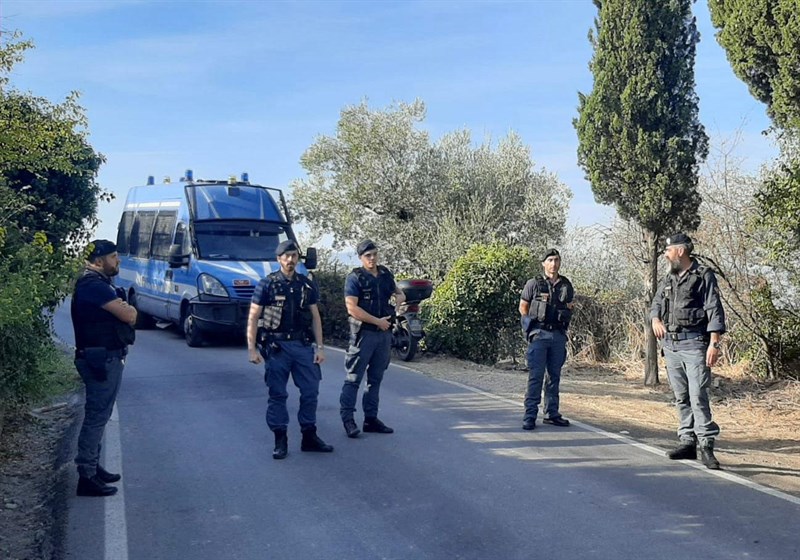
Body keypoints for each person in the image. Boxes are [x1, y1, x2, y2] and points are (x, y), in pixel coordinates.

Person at [247, 240, 333, 460]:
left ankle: (309, 436)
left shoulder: (306, 284)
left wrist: (320, 348)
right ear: (279, 259)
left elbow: (315, 316)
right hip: (277, 347)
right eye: (286, 256)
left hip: (302, 346)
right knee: (278, 394)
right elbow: (254, 316)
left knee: (311, 391)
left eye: (294, 256)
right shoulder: (267, 284)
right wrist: (252, 349)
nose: (290, 260)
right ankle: (280, 439)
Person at [650, 233, 725, 470]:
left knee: (698, 396)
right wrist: (655, 319)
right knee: (681, 396)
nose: (665, 254)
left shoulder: (703, 276)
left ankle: (706, 445)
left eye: (668, 250)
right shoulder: (669, 278)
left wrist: (714, 343)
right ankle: (687, 442)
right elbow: (656, 304)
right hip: (671, 346)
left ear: (680, 251)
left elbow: (714, 308)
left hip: (695, 344)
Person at [71, 240, 137, 497]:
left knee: (100, 415)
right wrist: (127, 307)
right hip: (99, 359)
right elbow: (130, 316)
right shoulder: (93, 286)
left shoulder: (99, 285)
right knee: (97, 417)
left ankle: (92, 467)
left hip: (104, 357)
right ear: (98, 260)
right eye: (113, 256)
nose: (117, 260)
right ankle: (86, 476)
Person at [339, 240, 405, 438]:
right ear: (361, 258)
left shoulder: (385, 274)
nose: (372, 258)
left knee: (375, 379)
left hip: (383, 334)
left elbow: (398, 292)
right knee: (353, 379)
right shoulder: (355, 278)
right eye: (368, 255)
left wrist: (398, 300)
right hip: (363, 334)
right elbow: (352, 308)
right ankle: (348, 419)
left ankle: (371, 419)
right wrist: (377, 321)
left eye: (375, 254)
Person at [519, 248, 575, 431]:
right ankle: (530, 416)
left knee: (554, 377)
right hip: (539, 336)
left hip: (557, 336)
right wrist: (529, 328)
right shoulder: (533, 284)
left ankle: (552, 414)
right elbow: (523, 307)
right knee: (535, 377)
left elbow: (570, 307)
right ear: (543, 263)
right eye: (550, 260)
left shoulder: (566, 285)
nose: (554, 263)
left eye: (556, 260)